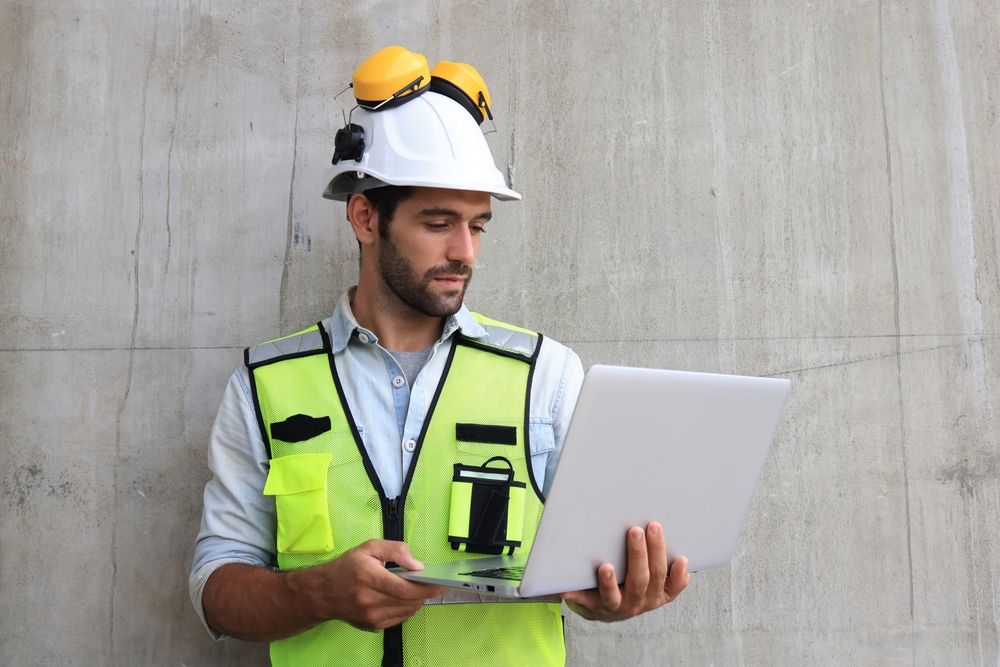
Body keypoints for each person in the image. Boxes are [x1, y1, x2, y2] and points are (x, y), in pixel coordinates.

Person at [189, 46, 689, 667]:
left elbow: (588, 571)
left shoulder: (546, 376)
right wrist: (317, 593)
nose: (464, 251)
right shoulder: (265, 384)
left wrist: (611, 596)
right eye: (437, 223)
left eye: (477, 225)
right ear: (365, 217)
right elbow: (216, 590)